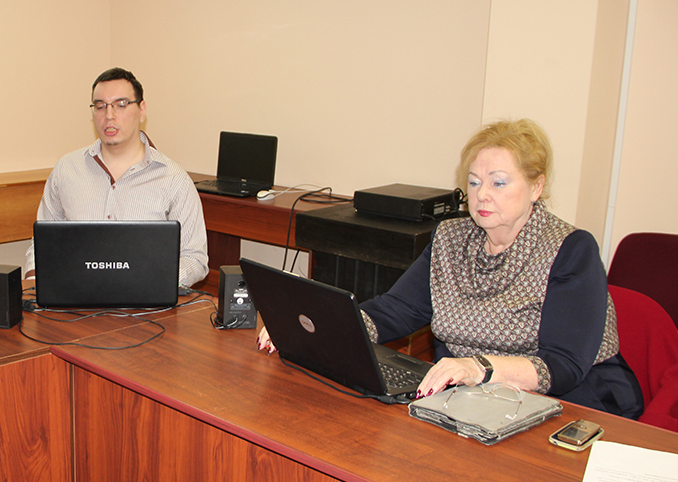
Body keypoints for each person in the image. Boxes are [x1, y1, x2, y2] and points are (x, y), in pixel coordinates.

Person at [257, 119, 644, 419]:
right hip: (470, 398)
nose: (482, 195)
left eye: (498, 183)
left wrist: (480, 368)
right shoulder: (451, 238)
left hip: (573, 402)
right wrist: (318, 330)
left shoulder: (569, 249)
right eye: (474, 183)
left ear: (536, 187)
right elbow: (398, 309)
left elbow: (563, 365)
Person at [23, 67, 209, 287]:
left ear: (142, 110)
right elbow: (42, 242)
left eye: (121, 104)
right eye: (100, 106)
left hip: (146, 301)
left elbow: (194, 258)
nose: (109, 115)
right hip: (75, 296)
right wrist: (34, 282)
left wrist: (153, 282)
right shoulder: (66, 169)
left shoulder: (173, 179)